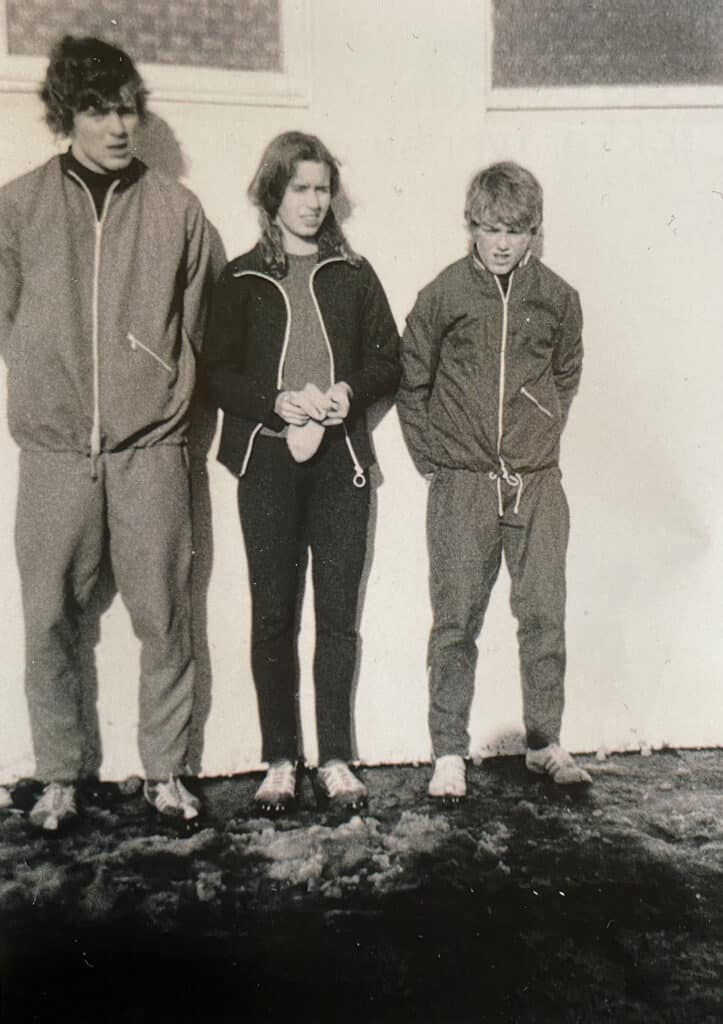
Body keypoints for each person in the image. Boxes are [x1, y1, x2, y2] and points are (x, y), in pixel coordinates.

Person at [0, 36, 212, 830]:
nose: (118, 126)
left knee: (165, 615)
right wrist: (46, 380)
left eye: (127, 109)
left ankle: (166, 773)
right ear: (68, 115)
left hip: (150, 449)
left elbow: (196, 327)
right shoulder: (18, 206)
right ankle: (59, 774)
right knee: (48, 617)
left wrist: (158, 395)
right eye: (98, 110)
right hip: (55, 453)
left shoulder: (177, 210)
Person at [205, 131, 400, 816]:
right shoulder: (240, 278)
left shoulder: (354, 273)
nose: (314, 202)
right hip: (267, 462)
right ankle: (281, 761)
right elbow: (215, 373)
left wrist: (350, 391)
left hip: (341, 464)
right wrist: (273, 402)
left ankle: (336, 758)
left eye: (323, 189)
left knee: (338, 615)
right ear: (273, 193)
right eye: (300, 188)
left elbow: (390, 358)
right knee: (273, 614)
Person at [397, 161, 591, 803]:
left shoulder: (558, 298)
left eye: (515, 230)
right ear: (470, 228)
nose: (501, 243)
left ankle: (544, 742)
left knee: (543, 614)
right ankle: (448, 752)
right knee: (455, 619)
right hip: (464, 484)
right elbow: (413, 379)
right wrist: (435, 459)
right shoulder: (444, 293)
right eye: (489, 228)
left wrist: (538, 435)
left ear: (534, 231)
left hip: (536, 483)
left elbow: (564, 374)